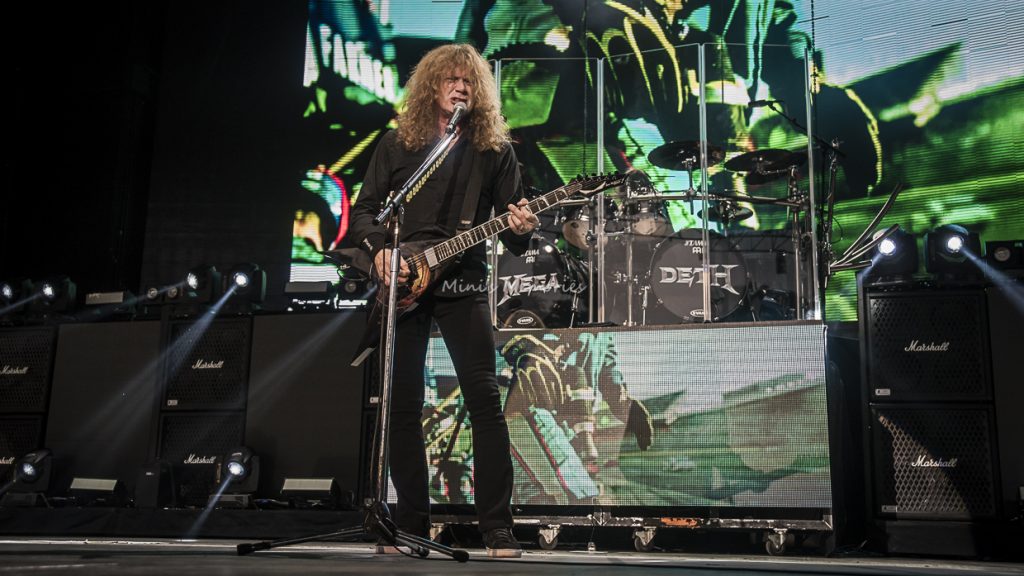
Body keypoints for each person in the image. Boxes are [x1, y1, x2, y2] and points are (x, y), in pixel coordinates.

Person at [349, 43, 539, 559]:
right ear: (431, 86)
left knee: (485, 402)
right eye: (452, 79)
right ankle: (412, 524)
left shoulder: (494, 150)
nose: (460, 87)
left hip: (462, 284)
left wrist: (524, 226)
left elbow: (514, 230)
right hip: (404, 285)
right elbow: (365, 213)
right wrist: (381, 251)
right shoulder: (397, 144)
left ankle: (496, 527)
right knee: (402, 405)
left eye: (469, 81)